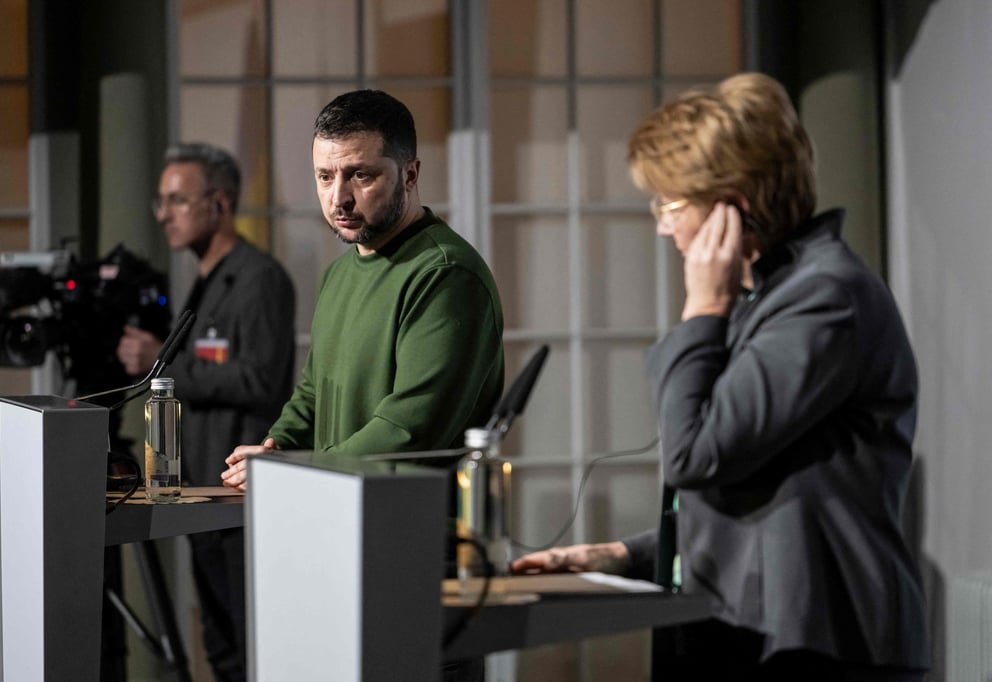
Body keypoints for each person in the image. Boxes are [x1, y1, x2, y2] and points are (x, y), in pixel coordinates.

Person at [511, 73, 930, 681]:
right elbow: (757, 494)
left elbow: (696, 455)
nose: (661, 225)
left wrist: (703, 311)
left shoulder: (825, 299)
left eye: (671, 205)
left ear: (731, 205)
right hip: (762, 631)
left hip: (818, 646)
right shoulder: (776, 293)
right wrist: (624, 555)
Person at [221, 90, 504, 680]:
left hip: (418, 556)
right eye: (325, 176)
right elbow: (314, 391)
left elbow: (409, 429)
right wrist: (274, 447)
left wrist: (292, 476)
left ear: (411, 172)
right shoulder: (340, 272)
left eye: (361, 175)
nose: (338, 198)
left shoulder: (445, 275)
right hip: (335, 534)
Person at [117, 142, 295, 682]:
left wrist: (160, 363)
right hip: (203, 496)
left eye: (176, 199)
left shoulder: (259, 278)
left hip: (240, 501)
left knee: (251, 651)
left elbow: (261, 379)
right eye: (160, 202)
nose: (164, 214)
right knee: (220, 648)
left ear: (218, 203)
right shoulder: (203, 280)